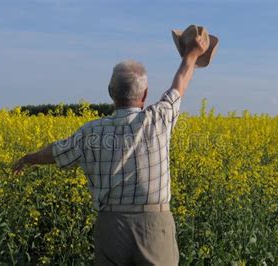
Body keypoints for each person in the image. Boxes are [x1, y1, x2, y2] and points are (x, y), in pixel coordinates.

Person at [13, 32, 209, 265]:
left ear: (110, 93)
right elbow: (179, 84)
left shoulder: (91, 132)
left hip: (110, 225)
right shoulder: (158, 118)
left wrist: (28, 159)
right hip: (154, 225)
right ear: (145, 95)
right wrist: (192, 55)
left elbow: (55, 153)